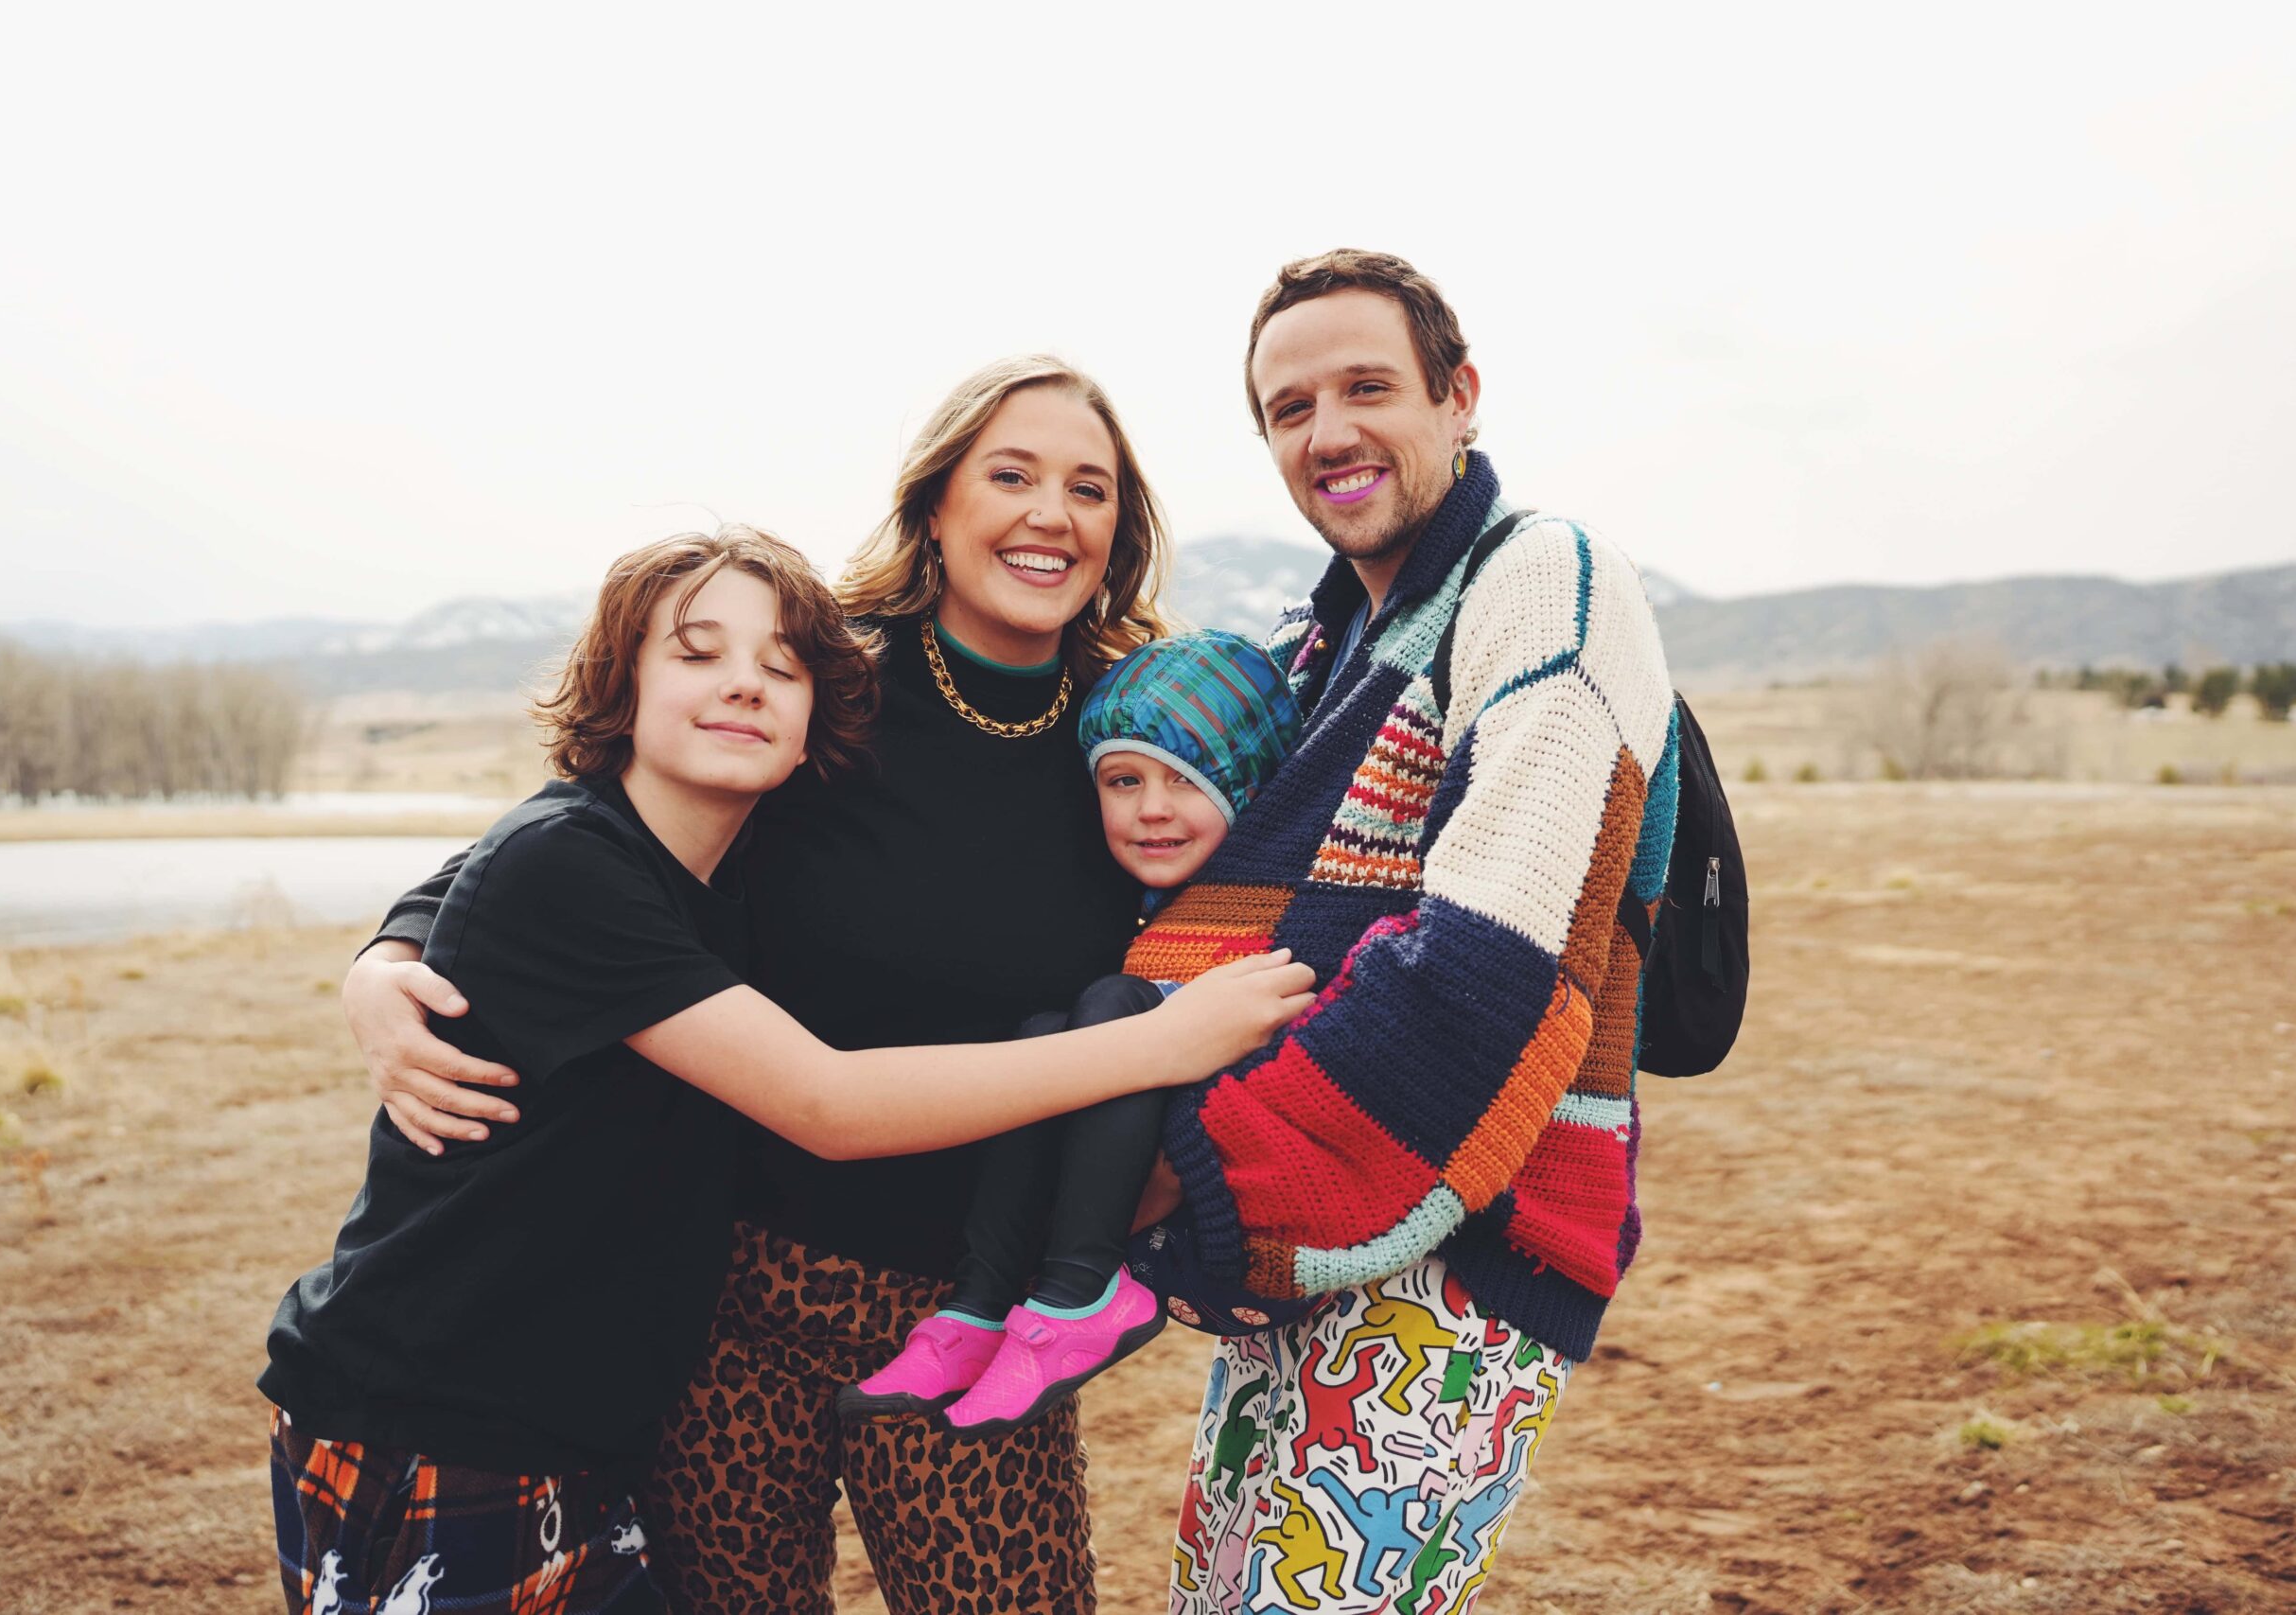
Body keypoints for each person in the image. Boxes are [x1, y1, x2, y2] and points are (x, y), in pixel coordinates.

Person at [261, 528, 1312, 1615]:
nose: (742, 688)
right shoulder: (575, 863)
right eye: (697, 654)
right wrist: (1155, 1045)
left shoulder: (718, 863)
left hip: (581, 1419)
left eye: (779, 667)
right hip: (434, 1405)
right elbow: (825, 1103)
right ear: (620, 683)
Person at [1141, 250, 1680, 1613]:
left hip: (1458, 1233)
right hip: (1321, 1214)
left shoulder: (1542, 579)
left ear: (1460, 396)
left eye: (1367, 385)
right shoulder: (1325, 647)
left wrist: (1190, 1178)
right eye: (1288, 407)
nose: (1328, 432)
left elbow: (1490, 966)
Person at [838, 629, 1306, 1437]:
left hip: (1239, 1175)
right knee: (1043, 1031)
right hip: (1139, 1134)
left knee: (1113, 1002)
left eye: (1188, 782)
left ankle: (1079, 1291)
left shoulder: (1276, 899)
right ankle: (981, 1303)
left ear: (1249, 786)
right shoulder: (1152, 907)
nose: (1151, 808)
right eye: (1123, 780)